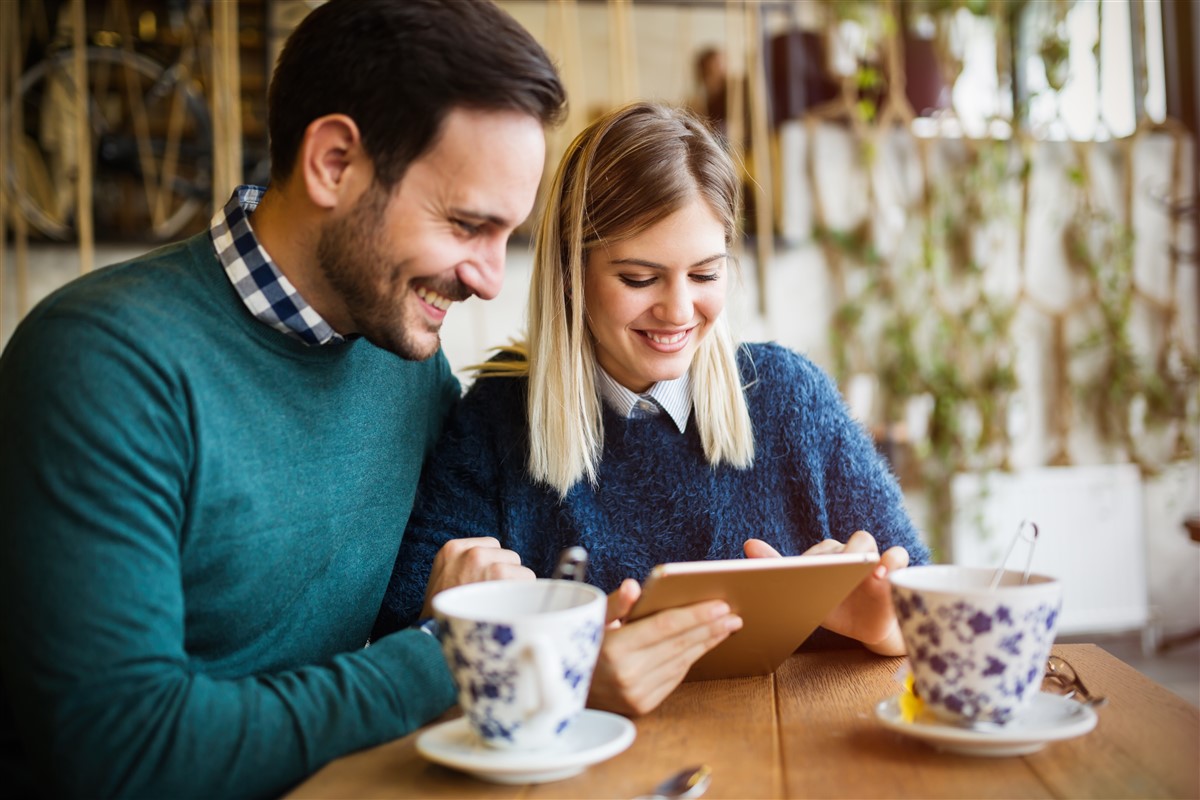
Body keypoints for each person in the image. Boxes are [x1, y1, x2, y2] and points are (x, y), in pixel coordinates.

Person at [0, 1, 564, 796]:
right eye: (467, 224)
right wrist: (445, 653)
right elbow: (124, 753)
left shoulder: (404, 356)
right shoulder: (103, 364)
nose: (489, 277)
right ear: (334, 161)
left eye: (505, 234)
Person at [376, 101, 931, 717]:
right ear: (570, 274)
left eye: (705, 273)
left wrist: (881, 626)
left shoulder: (788, 397)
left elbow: (929, 613)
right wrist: (561, 669)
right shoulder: (495, 422)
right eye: (640, 278)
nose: (678, 310)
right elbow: (405, 648)